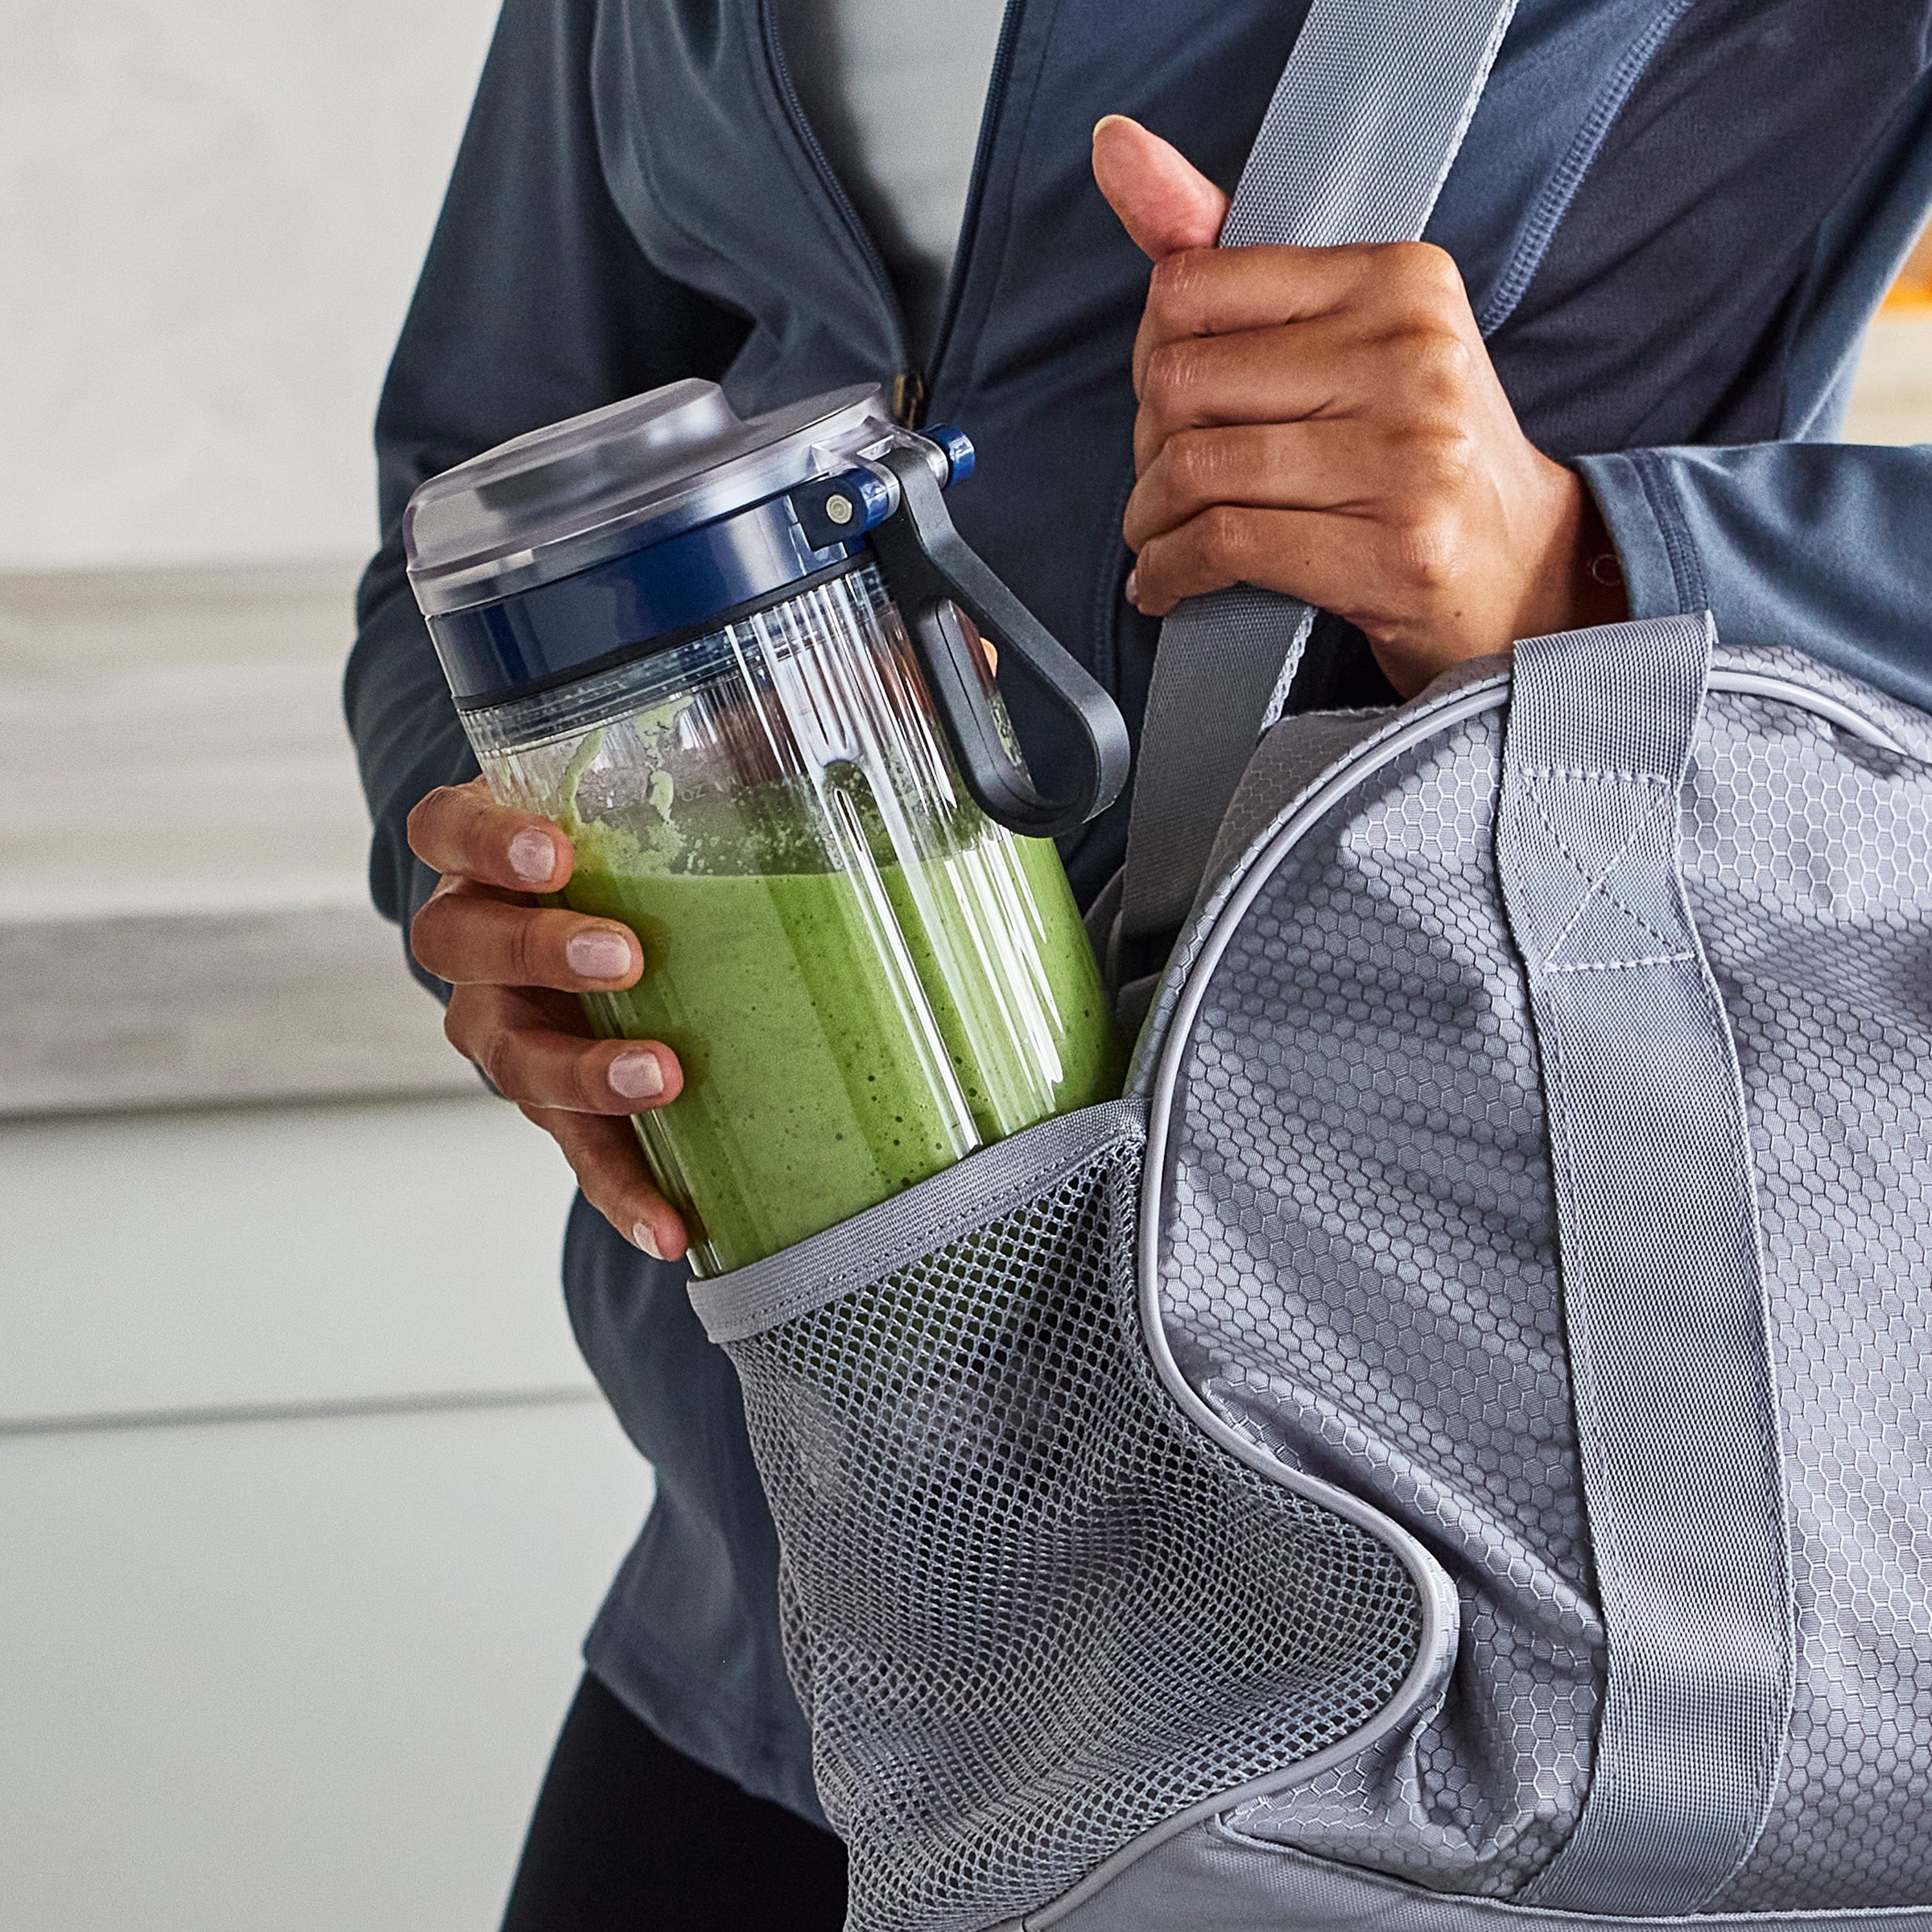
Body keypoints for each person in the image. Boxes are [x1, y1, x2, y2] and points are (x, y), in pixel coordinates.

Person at [346, 1, 1932, 1923]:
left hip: (1448, 1591)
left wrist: (1590, 555)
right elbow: (483, 466)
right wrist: (531, 901)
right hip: (810, 1494)